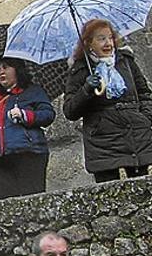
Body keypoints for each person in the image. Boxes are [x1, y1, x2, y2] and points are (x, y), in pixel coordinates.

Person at [63, 18, 152, 183]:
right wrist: (86, 89)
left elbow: (144, 93)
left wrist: (145, 118)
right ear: (89, 43)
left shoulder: (125, 61)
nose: (108, 43)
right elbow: (70, 111)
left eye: (110, 37)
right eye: (101, 38)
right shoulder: (80, 69)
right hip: (105, 144)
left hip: (137, 138)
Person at [0, 57, 55, 200]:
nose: (1, 72)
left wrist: (25, 115)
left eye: (6, 67)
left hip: (28, 154)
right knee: (6, 207)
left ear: (17, 70)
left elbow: (48, 114)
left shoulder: (33, 92)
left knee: (33, 201)